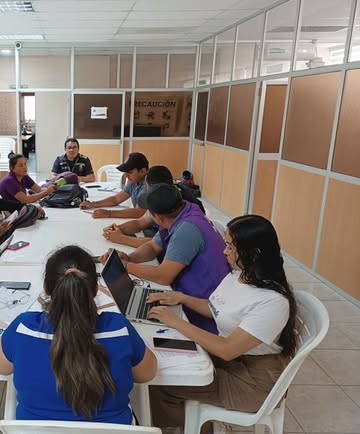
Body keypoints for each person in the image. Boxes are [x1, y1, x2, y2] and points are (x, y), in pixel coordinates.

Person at [146, 215, 298, 430]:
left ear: (253, 253)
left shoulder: (272, 302)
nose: (225, 252)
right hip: (234, 361)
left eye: (231, 247)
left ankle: (185, 429)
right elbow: (216, 308)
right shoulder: (240, 274)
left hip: (253, 382)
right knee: (163, 361)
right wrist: (182, 298)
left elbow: (227, 350)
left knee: (165, 385)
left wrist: (175, 321)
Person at [0, 245, 157, 424]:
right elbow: (146, 374)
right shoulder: (119, 329)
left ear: (46, 287)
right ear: (95, 289)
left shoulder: (24, 328)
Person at [99, 184, 230, 334]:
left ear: (158, 218)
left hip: (205, 307)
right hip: (193, 295)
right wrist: (130, 258)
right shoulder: (182, 211)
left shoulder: (187, 229)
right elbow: (153, 247)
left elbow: (163, 276)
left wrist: (126, 266)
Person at [103, 165, 206, 248]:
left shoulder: (176, 207)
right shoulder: (164, 198)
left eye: (147, 186)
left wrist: (121, 239)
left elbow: (160, 243)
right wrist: (117, 229)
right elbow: (140, 223)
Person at [79, 152, 149, 219]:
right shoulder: (133, 181)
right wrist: (93, 204)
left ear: (142, 171)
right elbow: (116, 199)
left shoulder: (148, 185)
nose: (126, 175)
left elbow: (138, 212)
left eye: (130, 172)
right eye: (125, 172)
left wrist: (109, 213)